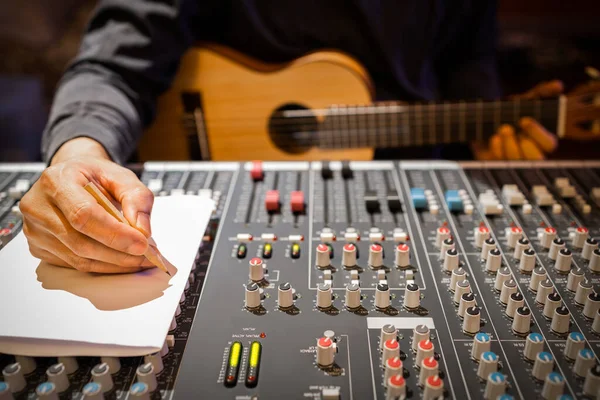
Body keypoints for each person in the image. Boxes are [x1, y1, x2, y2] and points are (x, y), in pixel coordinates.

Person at [20, 0, 561, 273]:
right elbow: (114, 65)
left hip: (413, 178)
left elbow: (469, 56)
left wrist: (486, 129)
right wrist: (78, 151)